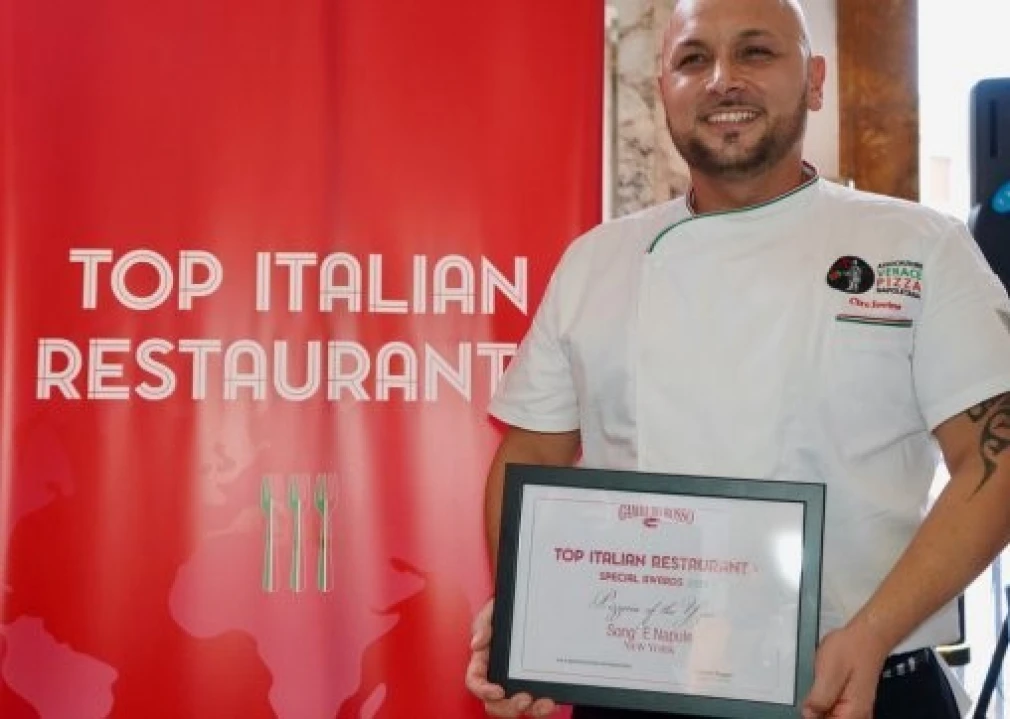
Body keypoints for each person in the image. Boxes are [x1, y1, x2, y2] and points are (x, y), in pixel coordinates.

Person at [465, 0, 1010, 717]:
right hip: (638, 685)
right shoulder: (596, 262)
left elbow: (996, 460)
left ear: (815, 81)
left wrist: (873, 632)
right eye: (693, 59)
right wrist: (528, 609)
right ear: (663, 89)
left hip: (854, 687)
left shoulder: (920, 247)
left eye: (756, 52)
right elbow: (531, 450)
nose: (723, 79)